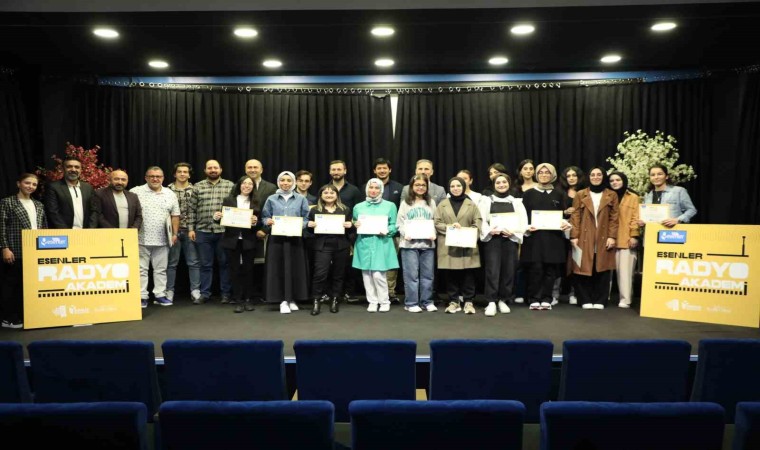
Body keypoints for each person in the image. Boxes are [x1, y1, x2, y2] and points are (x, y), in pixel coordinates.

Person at [520, 163, 572, 311]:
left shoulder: (560, 194)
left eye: (547, 172)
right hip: (534, 238)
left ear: (552, 175)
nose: (544, 175)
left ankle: (546, 299)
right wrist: (526, 227)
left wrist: (565, 223)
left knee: (550, 270)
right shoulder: (528, 194)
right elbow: (522, 216)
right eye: (541, 172)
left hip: (553, 238)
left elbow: (564, 215)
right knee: (535, 269)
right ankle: (534, 298)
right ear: (536, 175)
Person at [1, 173, 47, 329]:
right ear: (18, 184)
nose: (30, 186)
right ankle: (8, 318)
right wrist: (5, 248)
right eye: (27, 183)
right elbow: (1, 227)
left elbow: (44, 228)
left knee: (28, 286)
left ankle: (26, 316)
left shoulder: (39, 205)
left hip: (34, 252)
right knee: (12, 285)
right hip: (15, 250)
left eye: (34, 184)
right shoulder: (7, 202)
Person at [130, 167, 181, 308]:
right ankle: (142, 297)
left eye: (158, 176)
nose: (155, 179)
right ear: (146, 178)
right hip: (141, 239)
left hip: (163, 239)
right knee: (141, 270)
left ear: (163, 178)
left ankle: (160, 295)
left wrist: (174, 234)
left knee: (161, 270)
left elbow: (175, 215)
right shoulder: (135, 191)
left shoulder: (170, 194)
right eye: (151, 176)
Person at [570, 167, 619, 310]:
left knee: (602, 268)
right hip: (585, 236)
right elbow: (575, 216)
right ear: (589, 177)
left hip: (604, 236)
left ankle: (600, 300)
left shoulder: (611, 195)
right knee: (583, 267)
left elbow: (614, 218)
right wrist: (574, 235)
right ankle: (584, 299)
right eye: (593, 175)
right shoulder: (581, 194)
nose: (596, 177)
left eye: (599, 175)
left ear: (603, 177)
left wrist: (612, 236)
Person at [478, 173, 528, 316]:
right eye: (498, 182)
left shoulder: (516, 202)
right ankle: (491, 301)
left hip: (510, 239)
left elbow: (523, 222)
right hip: (493, 240)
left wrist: (513, 232)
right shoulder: (487, 201)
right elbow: (481, 220)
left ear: (509, 183)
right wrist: (489, 230)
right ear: (494, 185)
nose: (501, 185)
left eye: (504, 182)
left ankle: (503, 300)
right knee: (492, 270)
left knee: (508, 270)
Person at [261, 171, 310, 314]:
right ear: (278, 182)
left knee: (295, 269)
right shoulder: (271, 199)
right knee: (278, 269)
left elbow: (306, 218)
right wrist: (268, 221)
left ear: (293, 182)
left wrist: (298, 225)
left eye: (289, 180)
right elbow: (264, 217)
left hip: (295, 239)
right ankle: (283, 300)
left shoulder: (301, 199)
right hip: (277, 239)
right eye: (282, 180)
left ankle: (292, 299)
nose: (285, 183)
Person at [188, 159, 235, 304]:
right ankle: (205, 294)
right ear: (205, 170)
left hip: (224, 231)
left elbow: (236, 207)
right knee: (205, 265)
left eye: (215, 168)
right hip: (203, 231)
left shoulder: (230, 186)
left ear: (220, 170)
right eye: (210, 168)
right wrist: (191, 229)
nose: (213, 170)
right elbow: (191, 209)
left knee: (225, 264)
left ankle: (225, 294)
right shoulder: (197, 186)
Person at [434, 177, 482, 315]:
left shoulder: (471, 204)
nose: (455, 188)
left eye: (458, 186)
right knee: (451, 275)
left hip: (467, 245)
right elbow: (437, 223)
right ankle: (454, 301)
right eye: (453, 186)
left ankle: (468, 301)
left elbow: (478, 222)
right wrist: (450, 227)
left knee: (468, 274)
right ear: (449, 188)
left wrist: (467, 233)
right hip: (448, 246)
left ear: (463, 187)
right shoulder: (442, 204)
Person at [306, 184, 355, 315]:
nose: (329, 195)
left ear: (337, 195)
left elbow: (351, 229)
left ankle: (335, 298)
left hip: (341, 245)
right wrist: (310, 225)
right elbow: (309, 230)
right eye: (326, 193)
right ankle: (316, 300)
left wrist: (350, 225)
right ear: (321, 195)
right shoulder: (314, 210)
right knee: (320, 274)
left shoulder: (345, 209)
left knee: (338, 274)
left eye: (332, 193)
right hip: (322, 245)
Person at [353, 178, 399, 313]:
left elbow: (394, 224)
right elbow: (355, 221)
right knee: (366, 275)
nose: (373, 190)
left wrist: (388, 230)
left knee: (379, 274)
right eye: (371, 187)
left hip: (381, 242)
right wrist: (355, 224)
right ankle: (372, 301)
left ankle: (384, 301)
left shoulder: (390, 206)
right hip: (364, 243)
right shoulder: (358, 207)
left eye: (376, 188)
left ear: (381, 190)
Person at [215, 176, 259, 313]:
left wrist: (255, 222)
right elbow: (222, 220)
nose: (247, 186)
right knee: (234, 271)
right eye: (244, 183)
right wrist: (217, 217)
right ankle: (238, 300)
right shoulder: (229, 200)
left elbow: (259, 223)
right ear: (239, 185)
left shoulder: (256, 202)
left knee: (249, 270)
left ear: (253, 187)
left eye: (250, 184)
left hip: (248, 240)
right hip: (231, 240)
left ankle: (248, 299)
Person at [396, 174, 437, 313]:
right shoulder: (405, 203)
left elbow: (435, 221)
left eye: (423, 185)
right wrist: (405, 233)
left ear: (427, 187)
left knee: (428, 275)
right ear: (412, 187)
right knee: (411, 276)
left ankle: (427, 302)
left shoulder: (431, 202)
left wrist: (433, 233)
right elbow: (399, 223)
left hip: (428, 245)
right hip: (409, 245)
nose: (420, 187)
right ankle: (411, 303)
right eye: (417, 185)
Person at [166, 162, 201, 303]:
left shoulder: (195, 189)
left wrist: (193, 228)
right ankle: (169, 291)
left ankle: (195, 290)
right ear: (174, 174)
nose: (182, 174)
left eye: (185, 172)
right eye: (179, 171)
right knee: (171, 263)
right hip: (171, 231)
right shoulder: (167, 190)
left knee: (193, 262)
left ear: (189, 175)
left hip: (189, 230)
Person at [373, 158, 404, 303]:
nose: (382, 170)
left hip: (392, 233)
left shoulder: (399, 187)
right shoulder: (368, 187)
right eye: (379, 168)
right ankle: (375, 293)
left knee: (391, 264)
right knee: (374, 263)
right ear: (374, 171)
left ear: (390, 170)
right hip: (372, 233)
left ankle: (390, 292)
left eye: (384, 168)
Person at [609, 171, 640, 308]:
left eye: (618, 180)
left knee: (625, 272)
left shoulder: (633, 197)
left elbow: (635, 217)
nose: (615, 182)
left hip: (625, 238)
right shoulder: (606, 196)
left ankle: (625, 299)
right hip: (608, 239)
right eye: (612, 180)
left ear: (624, 181)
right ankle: (604, 297)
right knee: (605, 272)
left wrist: (634, 235)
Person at [557, 166, 587, 305]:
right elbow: (552, 212)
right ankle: (557, 293)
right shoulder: (559, 193)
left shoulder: (586, 192)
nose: (571, 178)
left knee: (577, 262)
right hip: (562, 232)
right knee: (561, 263)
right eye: (568, 176)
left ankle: (575, 293)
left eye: (574, 175)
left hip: (581, 231)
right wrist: (564, 212)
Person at [44, 155, 96, 229]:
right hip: (63, 233)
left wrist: (90, 229)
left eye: (77, 167)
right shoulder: (53, 187)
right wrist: (67, 232)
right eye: (69, 166)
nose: (73, 169)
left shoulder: (88, 187)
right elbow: (53, 212)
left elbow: (94, 210)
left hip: (85, 232)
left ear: (81, 170)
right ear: (63, 169)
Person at [638, 163, 697, 228]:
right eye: (652, 175)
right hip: (652, 231)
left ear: (666, 176)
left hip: (673, 232)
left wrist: (677, 220)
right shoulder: (647, 196)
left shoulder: (678, 191)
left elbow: (692, 210)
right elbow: (646, 218)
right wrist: (642, 222)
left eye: (659, 174)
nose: (656, 177)